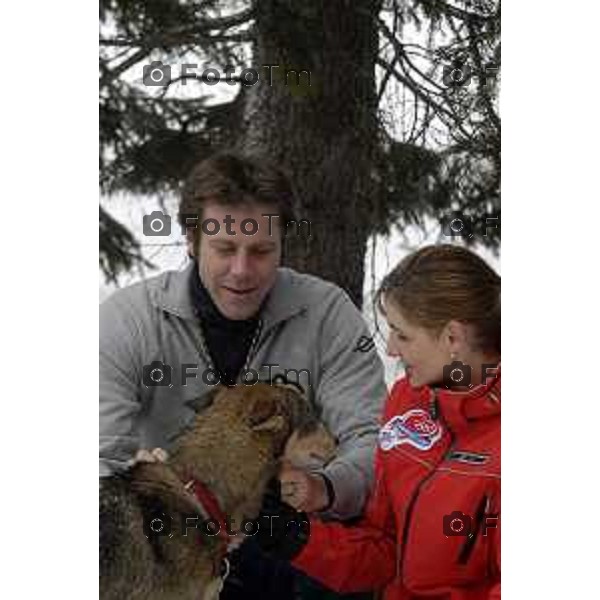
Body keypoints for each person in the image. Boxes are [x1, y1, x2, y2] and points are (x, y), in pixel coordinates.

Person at [99, 152, 387, 599]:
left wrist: (327, 488)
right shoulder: (126, 320)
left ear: (283, 243)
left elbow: (373, 441)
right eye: (225, 249)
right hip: (169, 551)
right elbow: (96, 458)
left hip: (288, 541)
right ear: (192, 241)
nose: (242, 270)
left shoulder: (329, 314)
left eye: (261, 250)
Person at [258, 244, 501, 600]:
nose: (391, 350)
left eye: (403, 335)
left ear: (453, 338)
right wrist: (294, 537)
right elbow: (384, 551)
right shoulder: (407, 401)